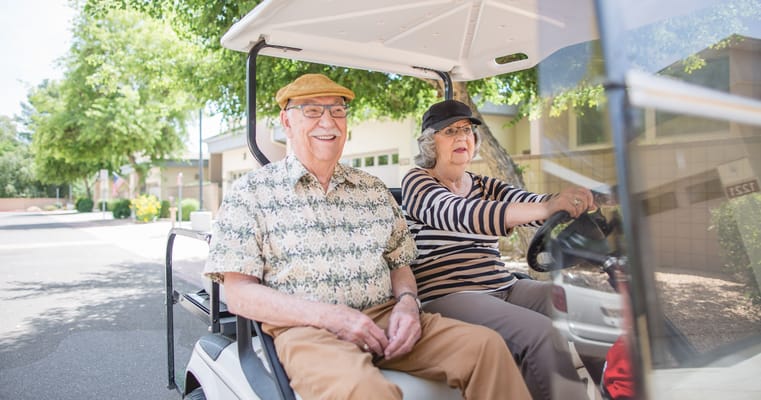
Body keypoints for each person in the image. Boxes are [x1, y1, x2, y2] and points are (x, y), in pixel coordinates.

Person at [204, 74, 531, 400]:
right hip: (307, 329)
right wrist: (330, 316)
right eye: (313, 111)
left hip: (386, 317)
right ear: (286, 121)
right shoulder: (252, 192)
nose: (328, 122)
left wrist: (407, 305)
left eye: (337, 111)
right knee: (365, 391)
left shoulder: (372, 189)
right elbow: (239, 294)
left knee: (486, 347)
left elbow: (400, 266)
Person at [402, 99, 603, 400]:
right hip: (450, 295)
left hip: (504, 286)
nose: (462, 137)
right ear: (431, 141)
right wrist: (548, 206)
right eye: (450, 131)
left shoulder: (485, 184)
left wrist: (572, 200)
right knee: (543, 334)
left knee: (589, 306)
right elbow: (462, 214)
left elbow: (531, 203)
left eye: (468, 130)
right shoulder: (417, 181)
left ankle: (614, 391)